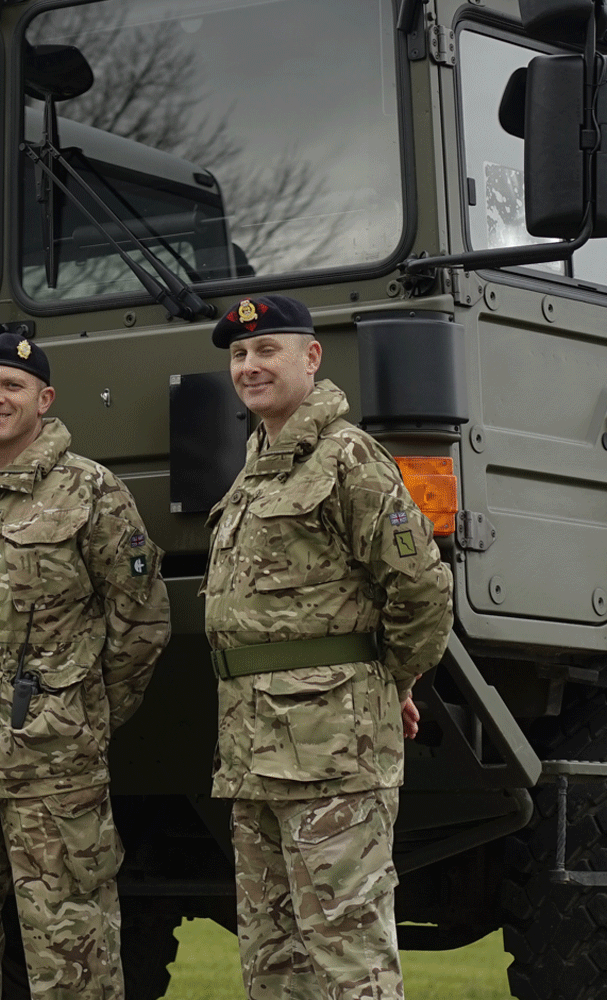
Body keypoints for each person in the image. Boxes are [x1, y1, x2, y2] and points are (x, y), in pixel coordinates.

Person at [204, 295, 455, 1000]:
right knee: (272, 961)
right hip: (255, 755)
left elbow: (422, 589)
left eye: (266, 351)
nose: (250, 367)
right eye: (239, 355)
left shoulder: (347, 458)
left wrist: (393, 684)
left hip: (332, 752)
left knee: (348, 956)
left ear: (311, 358)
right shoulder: (257, 467)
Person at [0, 333, 171, 1000]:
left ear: (44, 399)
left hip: (51, 767)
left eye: (11, 387)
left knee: (71, 950)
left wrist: (76, 709)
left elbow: (141, 623)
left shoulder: (90, 491)